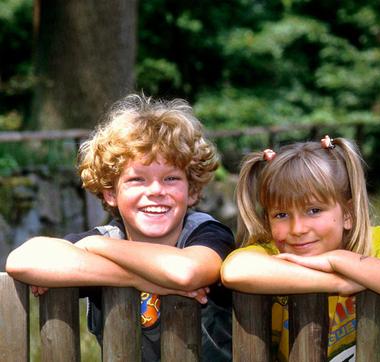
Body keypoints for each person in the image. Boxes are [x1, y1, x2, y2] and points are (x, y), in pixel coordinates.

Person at [6, 94, 234, 361]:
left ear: (192, 190)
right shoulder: (109, 237)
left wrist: (94, 247)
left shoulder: (206, 233)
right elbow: (24, 260)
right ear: (111, 193)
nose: (156, 191)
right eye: (137, 179)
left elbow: (186, 273)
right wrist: (137, 279)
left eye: (171, 178)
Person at [221, 135, 380, 362]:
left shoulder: (376, 243)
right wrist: (339, 282)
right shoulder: (271, 252)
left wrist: (337, 260)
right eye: (281, 215)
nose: (297, 229)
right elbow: (234, 270)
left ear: (348, 214)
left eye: (314, 210)